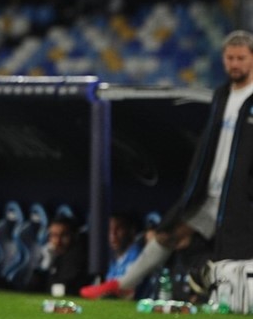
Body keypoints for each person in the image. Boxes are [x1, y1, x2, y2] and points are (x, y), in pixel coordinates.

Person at [82, 31, 253, 299]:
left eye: (241, 58)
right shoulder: (222, 95)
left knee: (233, 258)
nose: (235, 64)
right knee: (168, 234)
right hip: (210, 192)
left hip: (241, 198)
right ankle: (124, 284)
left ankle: (222, 298)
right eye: (230, 58)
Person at [30, 216, 89, 294]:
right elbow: (31, 289)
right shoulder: (53, 254)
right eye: (54, 235)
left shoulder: (77, 256)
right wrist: (44, 267)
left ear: (74, 235)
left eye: (64, 235)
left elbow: (62, 288)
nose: (58, 241)